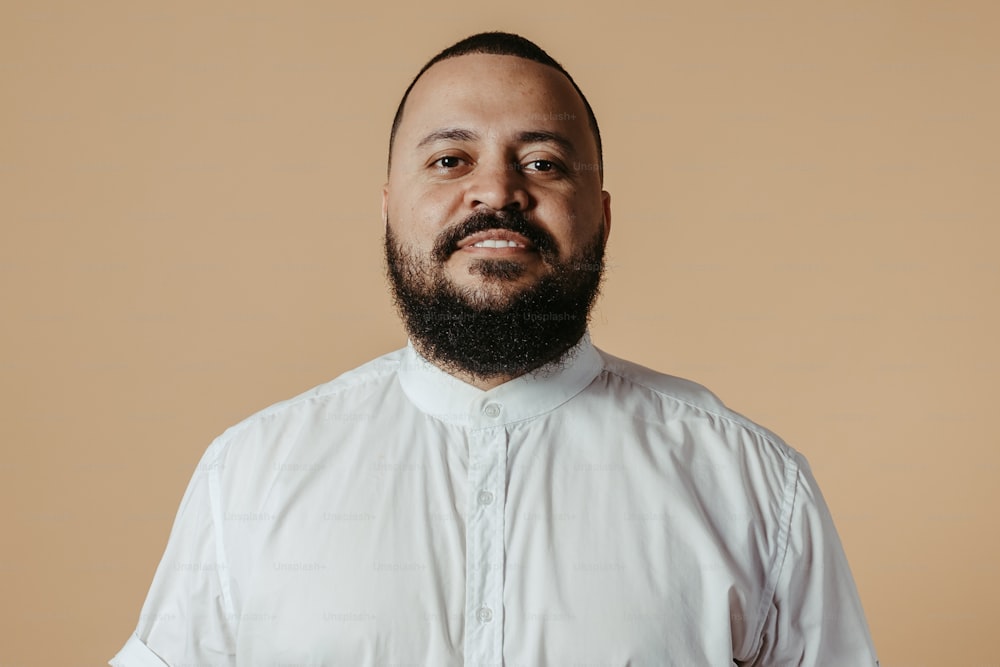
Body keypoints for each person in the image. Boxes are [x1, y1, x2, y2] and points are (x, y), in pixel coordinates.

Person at [111, 31, 879, 666]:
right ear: (390, 209)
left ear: (601, 216)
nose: (496, 192)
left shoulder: (752, 488)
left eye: (542, 162)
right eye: (450, 160)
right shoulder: (249, 477)